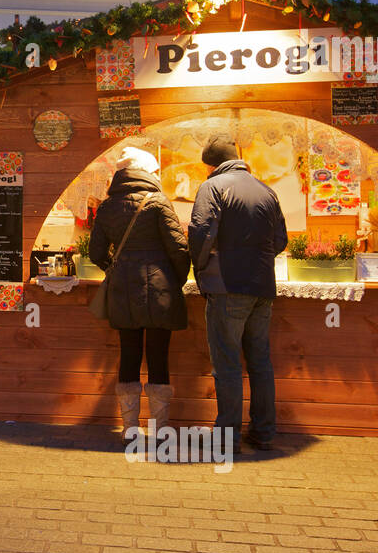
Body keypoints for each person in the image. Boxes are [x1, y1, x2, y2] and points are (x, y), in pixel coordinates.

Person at [188, 135, 289, 452]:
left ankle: (227, 437)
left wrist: (202, 268)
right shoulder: (266, 190)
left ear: (209, 164)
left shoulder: (213, 187)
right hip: (262, 287)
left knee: (228, 363)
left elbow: (202, 234)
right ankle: (263, 432)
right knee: (260, 361)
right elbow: (281, 240)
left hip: (228, 286)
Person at [89, 147, 191, 441]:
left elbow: (96, 252)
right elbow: (180, 249)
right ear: (148, 172)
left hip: (123, 290)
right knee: (159, 356)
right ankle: (159, 429)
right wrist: (175, 279)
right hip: (161, 290)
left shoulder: (108, 207)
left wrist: (115, 269)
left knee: (129, 354)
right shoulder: (158, 202)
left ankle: (130, 428)